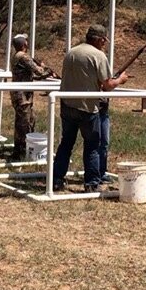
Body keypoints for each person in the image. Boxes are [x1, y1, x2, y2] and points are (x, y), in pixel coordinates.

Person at [52, 24, 128, 192]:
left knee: (66, 143)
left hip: (67, 104)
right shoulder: (98, 55)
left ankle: (56, 179)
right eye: (104, 41)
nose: (104, 44)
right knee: (93, 145)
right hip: (87, 106)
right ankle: (92, 183)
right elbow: (107, 85)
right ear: (100, 39)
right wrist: (120, 80)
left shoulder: (71, 52)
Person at [10, 33, 58, 160]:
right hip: (22, 96)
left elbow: (31, 75)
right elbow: (38, 71)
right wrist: (47, 70)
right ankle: (22, 151)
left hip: (20, 94)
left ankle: (22, 150)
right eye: (26, 41)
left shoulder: (16, 56)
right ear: (24, 44)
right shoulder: (23, 57)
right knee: (24, 123)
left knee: (26, 121)